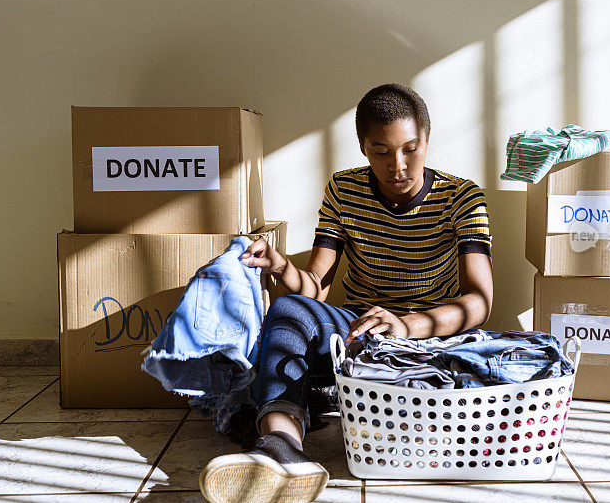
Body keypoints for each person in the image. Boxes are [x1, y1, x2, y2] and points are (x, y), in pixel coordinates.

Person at [198, 84, 494, 503]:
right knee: (287, 310)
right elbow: (317, 287)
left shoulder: (461, 197)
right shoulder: (344, 191)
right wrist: (281, 266)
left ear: (427, 141)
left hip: (427, 339)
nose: (398, 166)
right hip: (356, 329)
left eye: (411, 149)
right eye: (382, 151)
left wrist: (406, 326)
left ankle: (320, 400)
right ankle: (282, 450)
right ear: (362, 147)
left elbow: (479, 302)